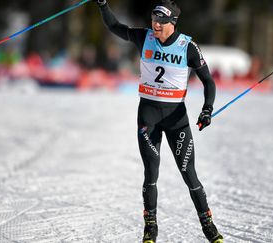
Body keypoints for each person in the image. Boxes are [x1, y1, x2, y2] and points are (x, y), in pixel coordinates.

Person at [92, 0, 223, 242]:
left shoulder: (188, 46)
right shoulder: (145, 38)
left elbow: (209, 81)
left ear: (173, 22)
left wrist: (207, 109)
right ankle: (150, 226)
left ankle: (208, 225)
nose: (156, 25)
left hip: (176, 120)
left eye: (161, 21)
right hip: (148, 116)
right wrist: (102, 5)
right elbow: (114, 26)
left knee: (188, 172)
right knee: (151, 172)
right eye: (154, 19)